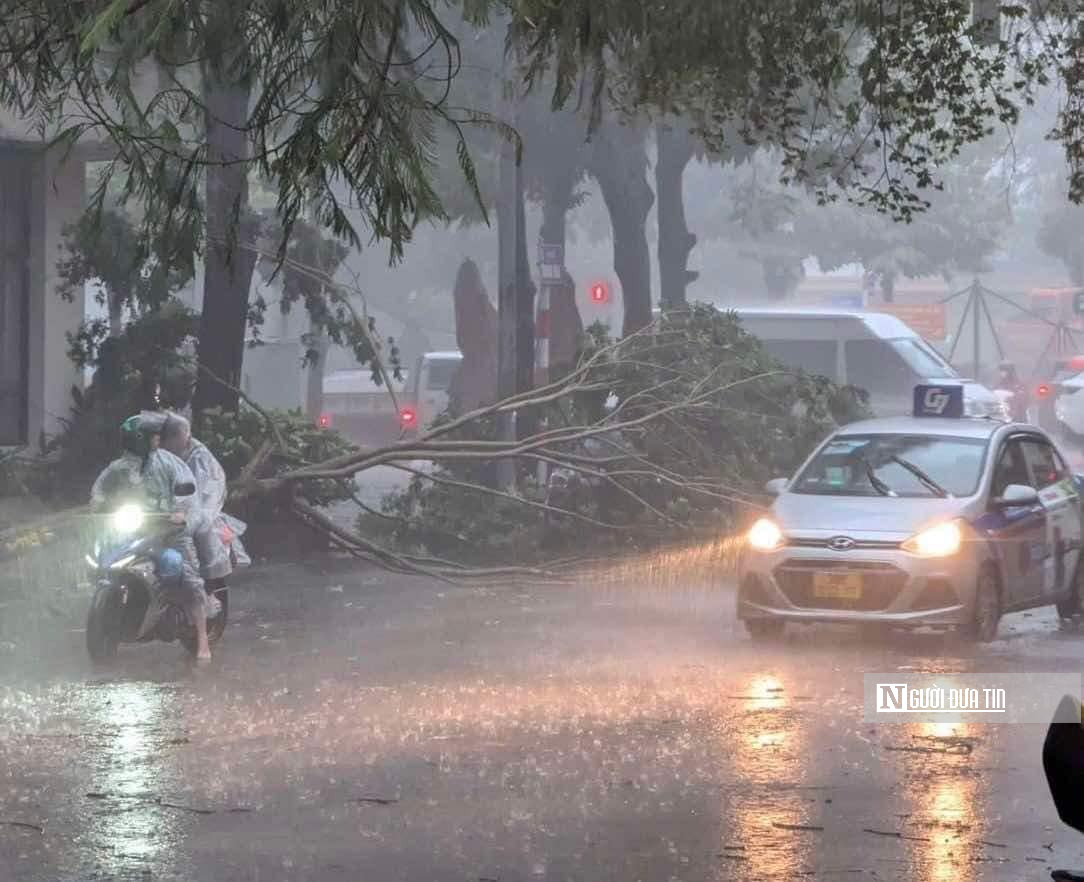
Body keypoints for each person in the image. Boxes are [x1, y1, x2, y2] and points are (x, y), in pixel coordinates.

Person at [90, 414, 214, 661]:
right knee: (103, 562)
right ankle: (120, 618)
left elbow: (188, 491)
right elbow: (100, 490)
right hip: (133, 530)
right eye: (152, 435)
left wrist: (181, 513)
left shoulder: (170, 463)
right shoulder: (118, 468)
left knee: (189, 579)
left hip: (169, 532)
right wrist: (98, 505)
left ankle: (202, 641)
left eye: (157, 435)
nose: (157, 439)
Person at [154, 411, 251, 578]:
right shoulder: (158, 453)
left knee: (200, 526)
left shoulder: (199, 458)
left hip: (199, 500)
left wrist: (186, 509)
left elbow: (204, 495)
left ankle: (212, 575)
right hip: (165, 505)